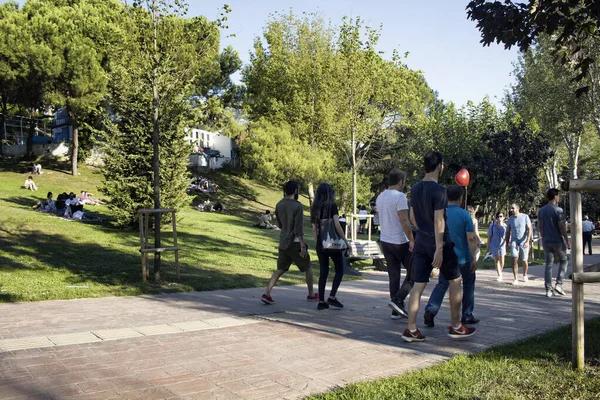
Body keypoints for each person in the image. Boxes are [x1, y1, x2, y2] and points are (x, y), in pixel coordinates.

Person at [401, 151, 475, 342]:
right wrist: (439, 248)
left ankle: (411, 329)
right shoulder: (440, 190)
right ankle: (456, 326)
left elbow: (412, 218)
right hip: (439, 242)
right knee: (456, 281)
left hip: (421, 241)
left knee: (418, 285)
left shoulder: (415, 188)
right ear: (439, 166)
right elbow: (439, 221)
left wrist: (422, 232)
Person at [424, 185, 479, 327]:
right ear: (460, 198)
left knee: (442, 284)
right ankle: (467, 314)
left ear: (446, 197)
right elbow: (471, 238)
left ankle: (431, 309)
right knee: (468, 283)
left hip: (446, 255)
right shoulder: (465, 215)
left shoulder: (441, 214)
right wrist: (474, 257)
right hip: (463, 257)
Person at [262, 180, 318, 304]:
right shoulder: (297, 206)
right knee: (307, 267)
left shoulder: (279, 204)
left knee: (280, 269)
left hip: (283, 241)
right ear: (296, 191)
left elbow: (280, 224)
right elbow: (298, 228)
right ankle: (311, 294)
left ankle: (267, 293)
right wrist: (302, 244)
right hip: (295, 242)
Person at [375, 168, 415, 320]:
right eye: (404, 182)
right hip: (400, 241)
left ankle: (395, 311)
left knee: (394, 275)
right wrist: (411, 238)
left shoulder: (380, 197)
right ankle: (398, 300)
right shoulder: (400, 197)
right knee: (414, 272)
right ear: (401, 182)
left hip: (386, 240)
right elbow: (404, 221)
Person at [311, 183, 350, 310]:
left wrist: (319, 242)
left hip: (320, 244)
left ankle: (321, 301)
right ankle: (332, 297)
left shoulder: (314, 207)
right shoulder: (332, 206)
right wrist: (345, 241)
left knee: (324, 272)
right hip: (332, 243)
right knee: (339, 270)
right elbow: (337, 225)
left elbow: (314, 228)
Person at [538, 188, 571, 297]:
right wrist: (567, 240)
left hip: (546, 240)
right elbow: (561, 226)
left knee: (548, 264)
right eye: (559, 195)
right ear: (555, 196)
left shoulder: (541, 210)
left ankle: (548, 289)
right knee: (564, 260)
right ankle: (559, 284)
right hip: (557, 240)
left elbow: (539, 225)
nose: (559, 197)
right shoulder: (558, 210)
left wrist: (543, 236)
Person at [505, 203, 533, 285]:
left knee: (524, 260)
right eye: (511, 208)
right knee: (514, 259)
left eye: (513, 208)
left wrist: (527, 241)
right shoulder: (510, 219)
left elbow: (529, 229)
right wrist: (507, 243)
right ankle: (515, 278)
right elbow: (508, 231)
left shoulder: (525, 217)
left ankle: (525, 274)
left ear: (518, 208)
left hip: (523, 241)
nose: (511, 210)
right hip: (514, 241)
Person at [487, 212, 507, 281]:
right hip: (494, 244)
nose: (499, 218)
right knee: (497, 260)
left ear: (504, 217)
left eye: (501, 216)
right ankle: (499, 275)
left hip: (502, 245)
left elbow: (507, 236)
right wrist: (488, 246)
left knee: (502, 261)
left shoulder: (505, 226)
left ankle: (500, 272)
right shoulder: (492, 225)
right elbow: (489, 236)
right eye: (498, 216)